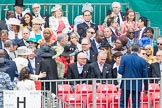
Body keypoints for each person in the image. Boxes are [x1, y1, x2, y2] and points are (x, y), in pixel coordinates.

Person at [118, 43, 148, 108]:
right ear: (139, 50)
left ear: (130, 49)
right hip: (137, 84)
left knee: (123, 103)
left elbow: (120, 71)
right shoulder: (142, 61)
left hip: (126, 83)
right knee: (136, 103)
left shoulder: (124, 58)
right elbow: (145, 75)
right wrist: (146, 88)